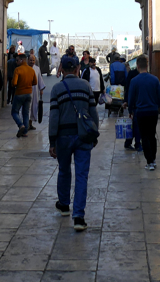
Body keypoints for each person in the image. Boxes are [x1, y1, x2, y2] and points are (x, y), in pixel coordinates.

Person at [49, 53, 99, 232]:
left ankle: (63, 205)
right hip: (83, 136)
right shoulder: (85, 86)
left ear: (62, 69)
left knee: (64, 170)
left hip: (63, 137)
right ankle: (79, 216)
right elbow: (93, 114)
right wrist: (94, 135)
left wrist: (51, 141)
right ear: (78, 68)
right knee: (81, 175)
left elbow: (54, 117)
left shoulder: (57, 89)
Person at [126, 55, 160, 170]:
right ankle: (154, 159)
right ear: (147, 65)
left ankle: (150, 162)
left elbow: (131, 97)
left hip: (141, 112)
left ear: (137, 66)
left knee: (144, 137)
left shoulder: (134, 81)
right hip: (153, 111)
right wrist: (156, 106)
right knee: (152, 135)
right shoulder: (155, 79)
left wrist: (130, 110)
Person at [11, 54, 37, 137]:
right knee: (26, 113)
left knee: (14, 112)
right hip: (29, 93)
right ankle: (25, 131)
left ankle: (20, 125)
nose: (16, 61)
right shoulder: (31, 70)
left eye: (17, 60)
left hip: (19, 93)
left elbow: (14, 83)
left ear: (22, 60)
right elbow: (35, 82)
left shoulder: (17, 70)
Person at [123, 61, 142, 151]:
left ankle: (129, 142)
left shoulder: (146, 74)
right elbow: (127, 88)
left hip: (138, 103)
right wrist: (126, 101)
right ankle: (137, 144)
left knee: (135, 124)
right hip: (135, 103)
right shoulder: (132, 73)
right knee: (136, 124)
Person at [28, 53, 46, 130]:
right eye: (31, 60)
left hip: (35, 91)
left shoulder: (37, 69)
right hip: (27, 91)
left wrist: (41, 89)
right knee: (28, 107)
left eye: (33, 60)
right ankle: (26, 124)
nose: (32, 62)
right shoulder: (25, 68)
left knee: (34, 107)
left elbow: (40, 79)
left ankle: (30, 123)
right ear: (28, 60)